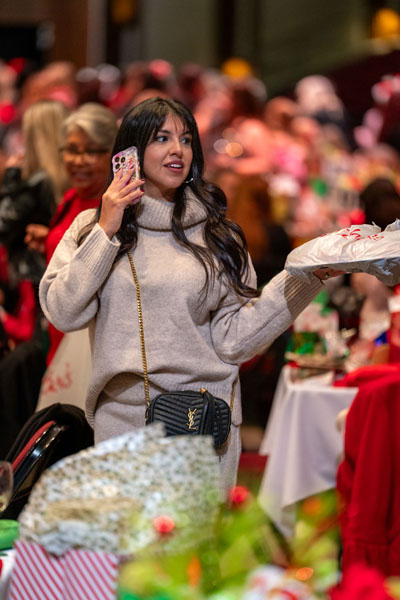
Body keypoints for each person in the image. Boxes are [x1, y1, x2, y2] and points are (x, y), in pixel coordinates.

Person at [39, 97, 341, 492]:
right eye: (162, 138)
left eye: (185, 139)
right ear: (130, 152)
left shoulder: (220, 234)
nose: (177, 150)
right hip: (125, 427)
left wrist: (307, 277)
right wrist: (106, 230)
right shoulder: (90, 228)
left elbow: (234, 340)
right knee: (129, 534)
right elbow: (63, 312)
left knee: (198, 535)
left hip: (205, 423)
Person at [27, 102, 118, 363]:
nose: (78, 161)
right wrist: (50, 239)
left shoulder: (114, 210)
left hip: (90, 347)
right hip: (60, 336)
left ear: (113, 154)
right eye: (71, 150)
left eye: (91, 151)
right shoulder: (71, 198)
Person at [0, 99, 70, 285]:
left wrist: (10, 177)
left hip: (35, 276)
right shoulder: (74, 174)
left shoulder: (37, 181)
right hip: (61, 270)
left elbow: (2, 225)